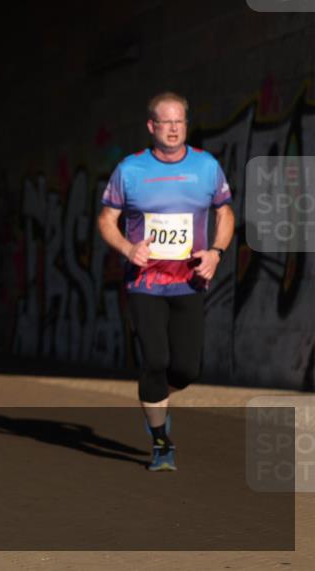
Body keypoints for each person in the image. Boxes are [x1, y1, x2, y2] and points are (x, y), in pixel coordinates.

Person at [97, 91, 234, 472]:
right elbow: (106, 220)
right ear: (151, 126)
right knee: (155, 360)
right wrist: (127, 249)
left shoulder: (206, 167)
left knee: (187, 369)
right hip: (145, 282)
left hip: (189, 281)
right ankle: (161, 442)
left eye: (179, 122)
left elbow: (225, 213)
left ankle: (156, 398)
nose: (173, 129)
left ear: (185, 125)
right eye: (165, 122)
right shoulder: (130, 170)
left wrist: (217, 252)